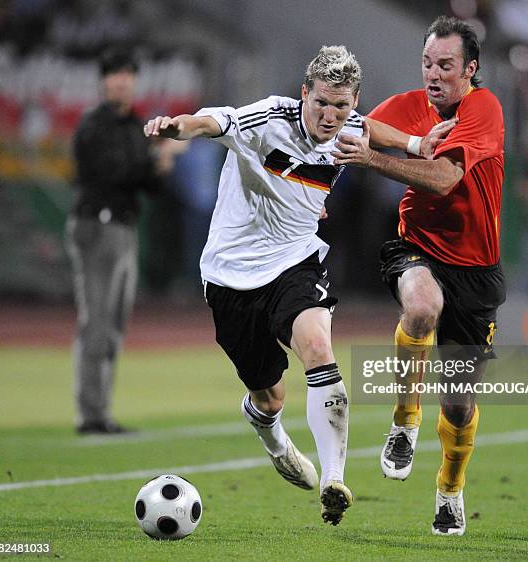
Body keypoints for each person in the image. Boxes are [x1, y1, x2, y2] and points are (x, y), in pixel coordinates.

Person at [144, 45, 365, 526]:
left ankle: (334, 478)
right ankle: (270, 433)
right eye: (321, 102)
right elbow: (208, 122)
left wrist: (413, 146)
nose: (330, 116)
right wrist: (175, 126)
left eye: (341, 106)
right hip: (231, 275)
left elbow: (377, 130)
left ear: (353, 104)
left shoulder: (352, 130)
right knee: (270, 397)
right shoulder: (266, 118)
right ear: (303, 94)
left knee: (318, 347)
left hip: (296, 262)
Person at [333, 16, 506, 536]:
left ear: (469, 69)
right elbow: (345, 132)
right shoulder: (409, 106)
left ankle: (450, 492)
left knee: (457, 401)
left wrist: (373, 160)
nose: (433, 74)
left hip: (476, 271)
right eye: (428, 62)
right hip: (417, 249)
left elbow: (445, 179)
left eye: (445, 65)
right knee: (422, 306)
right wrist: (315, 193)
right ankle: (404, 421)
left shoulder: (484, 108)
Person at [66, 49, 177, 435]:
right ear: (104, 82)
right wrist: (156, 157)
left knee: (113, 323)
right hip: (97, 226)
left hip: (124, 226)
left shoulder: (133, 124)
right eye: (114, 74)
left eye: (127, 74)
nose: (121, 80)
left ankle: (100, 411)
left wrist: (161, 164)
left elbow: (150, 185)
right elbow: (112, 172)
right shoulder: (94, 125)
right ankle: (91, 414)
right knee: (96, 321)